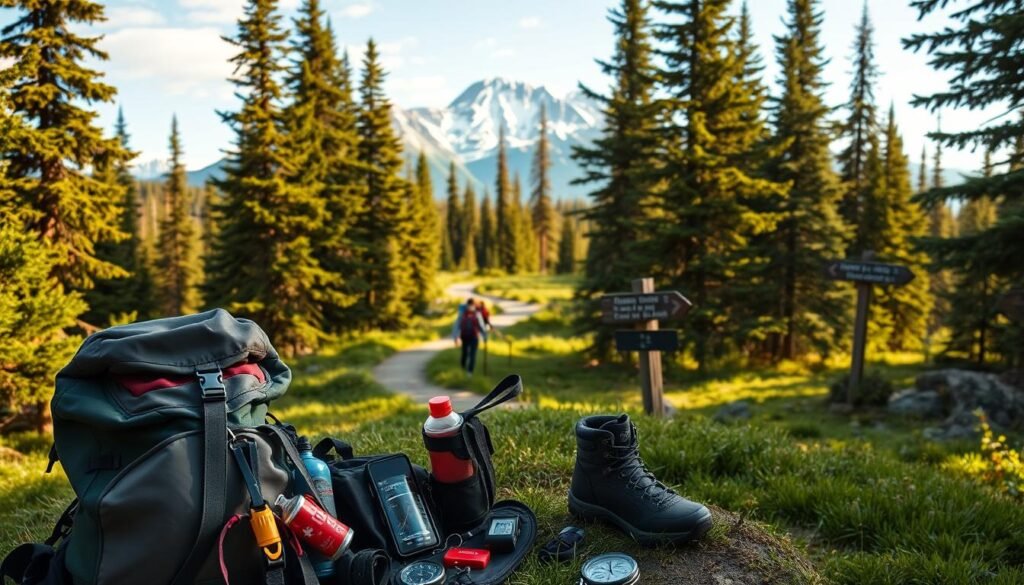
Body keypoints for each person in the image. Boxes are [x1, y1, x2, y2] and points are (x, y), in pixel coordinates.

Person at [453, 298, 487, 374]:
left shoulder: (477, 314)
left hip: (474, 337)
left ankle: (470, 372)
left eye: (472, 305)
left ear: (474, 305)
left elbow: (481, 326)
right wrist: (455, 337)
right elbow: (457, 325)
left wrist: (484, 335)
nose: (470, 307)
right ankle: (463, 368)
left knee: (472, 355)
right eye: (469, 305)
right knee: (464, 354)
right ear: (467, 305)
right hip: (465, 337)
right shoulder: (462, 314)